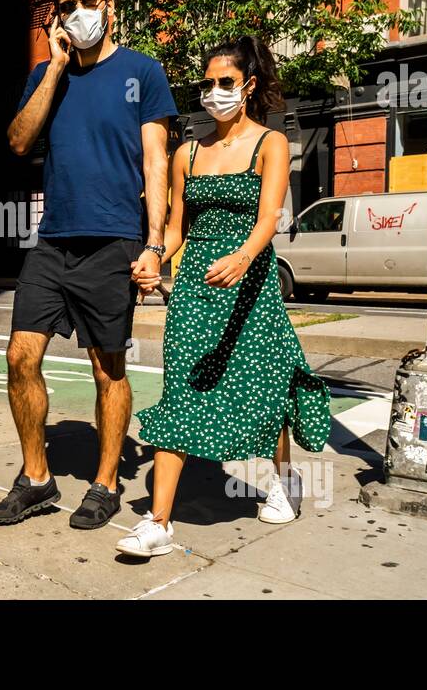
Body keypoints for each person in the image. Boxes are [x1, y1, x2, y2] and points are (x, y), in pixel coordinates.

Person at [115, 36, 331, 557]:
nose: (214, 92)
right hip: (195, 292)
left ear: (248, 86)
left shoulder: (270, 144)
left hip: (250, 287)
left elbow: (267, 220)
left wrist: (241, 259)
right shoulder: (187, 150)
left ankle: (280, 482)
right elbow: (174, 229)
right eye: (207, 84)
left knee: (266, 392)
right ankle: (159, 522)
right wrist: (154, 258)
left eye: (225, 83)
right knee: (183, 396)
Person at [0, 0, 176, 530]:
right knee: (20, 357)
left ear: (109, 2)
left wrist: (155, 244)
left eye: (88, 0)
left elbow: (155, 161)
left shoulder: (142, 71)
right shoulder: (49, 74)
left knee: (107, 368)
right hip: (54, 242)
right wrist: (54, 68)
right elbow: (19, 141)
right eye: (67, 6)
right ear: (57, 18)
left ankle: (105, 482)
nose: (79, 12)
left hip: (114, 241)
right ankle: (38, 479)